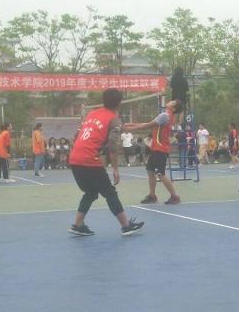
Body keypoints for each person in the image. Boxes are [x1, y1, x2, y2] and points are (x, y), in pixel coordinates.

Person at [68, 88, 144, 237]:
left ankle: (78, 225)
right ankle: (126, 226)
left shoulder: (92, 113)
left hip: (75, 157)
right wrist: (115, 169)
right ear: (119, 103)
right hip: (88, 159)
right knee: (109, 192)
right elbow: (112, 146)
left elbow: (77, 135)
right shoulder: (113, 119)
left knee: (91, 192)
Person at [127, 100, 184, 205]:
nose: (170, 101)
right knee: (150, 170)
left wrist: (129, 128)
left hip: (160, 149)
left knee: (160, 173)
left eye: (172, 102)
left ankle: (175, 196)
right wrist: (131, 124)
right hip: (156, 148)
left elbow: (148, 125)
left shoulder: (165, 115)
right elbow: (150, 124)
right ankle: (152, 196)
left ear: (173, 108)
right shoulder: (166, 115)